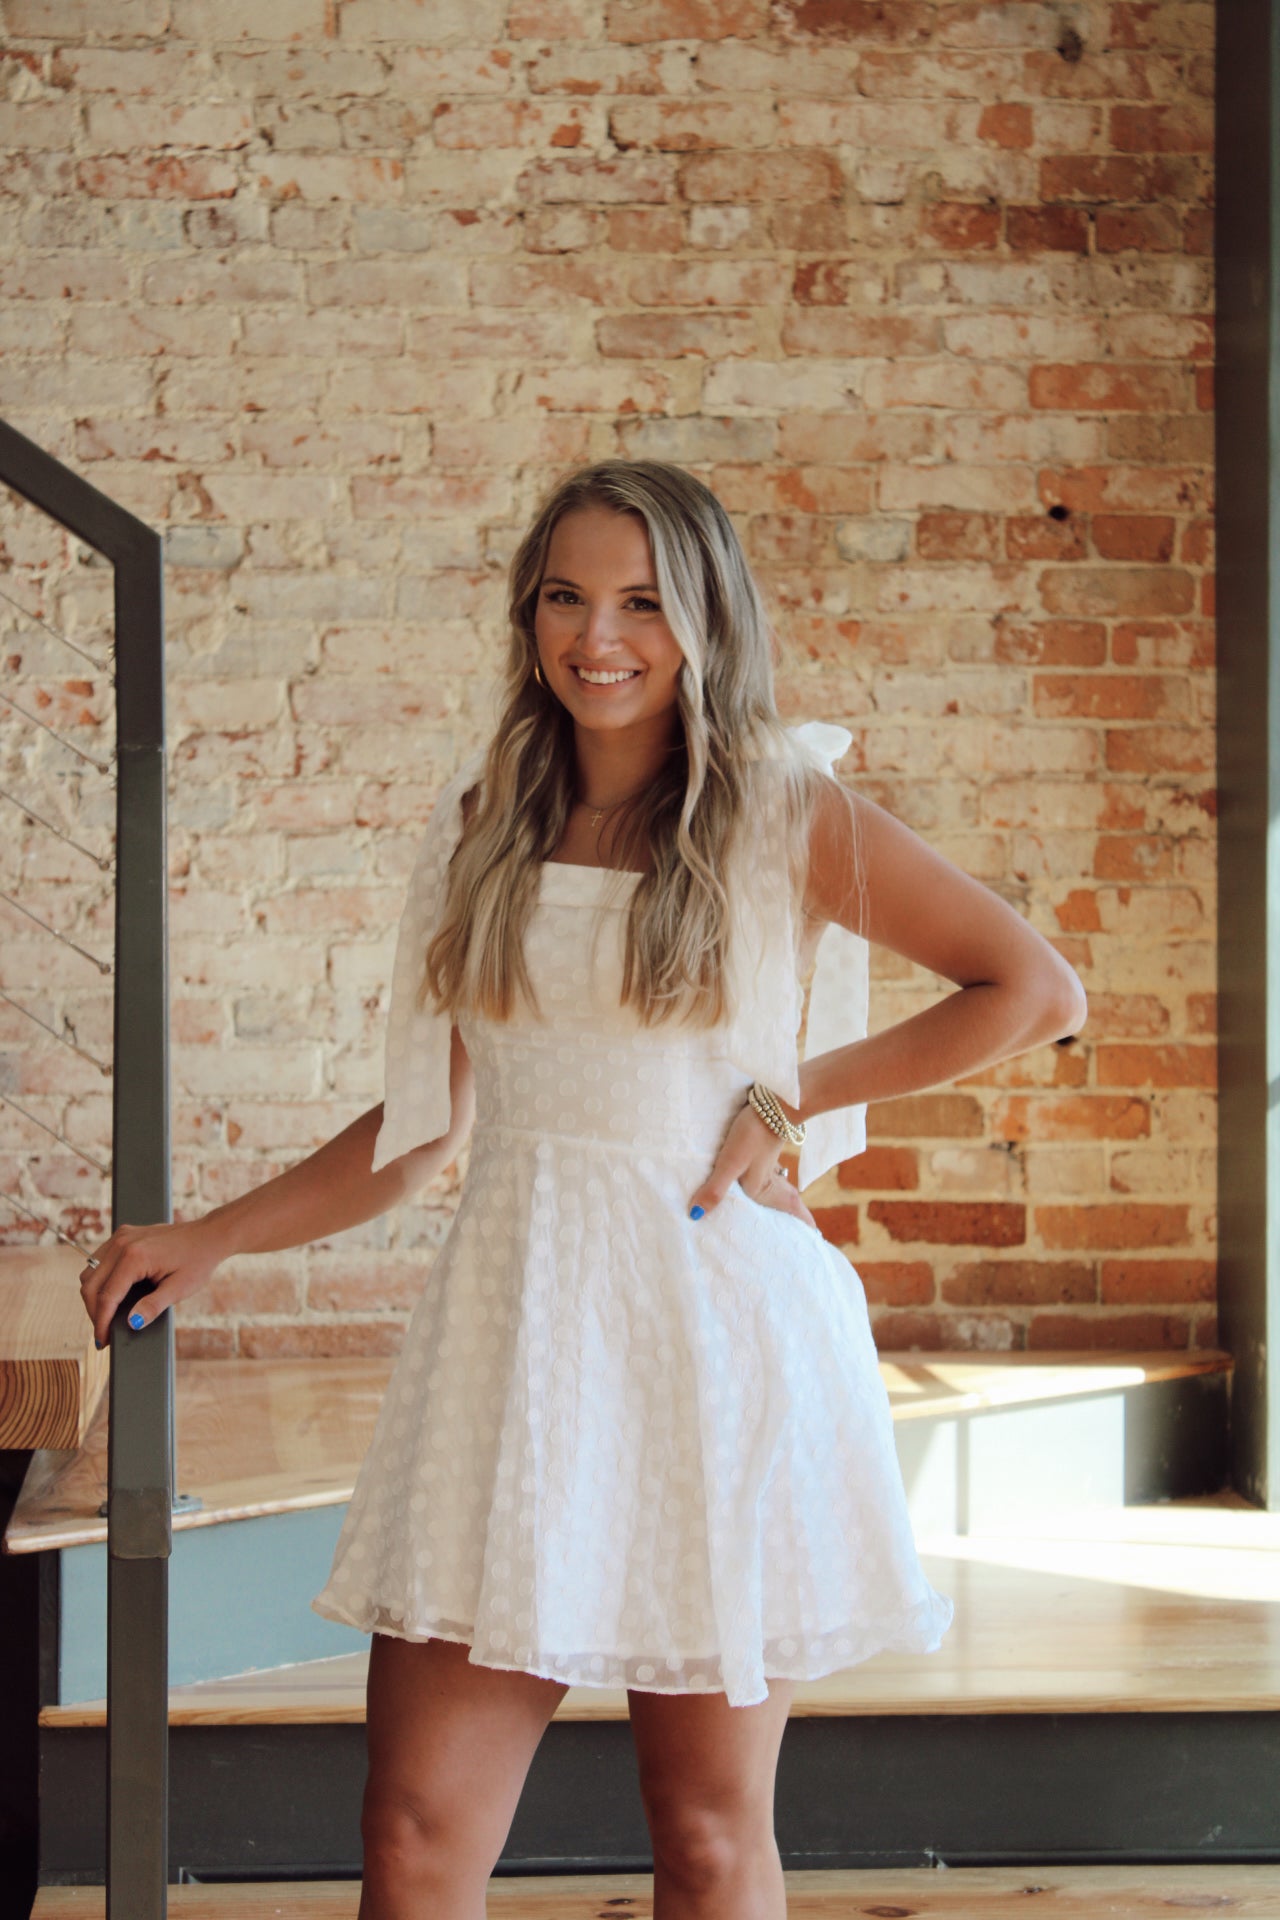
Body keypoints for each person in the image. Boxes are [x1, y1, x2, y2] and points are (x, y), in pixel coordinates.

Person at [79, 458, 1088, 1920]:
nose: (597, 637)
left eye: (641, 602)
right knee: (416, 1833)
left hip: (716, 1337)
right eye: (566, 596)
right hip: (517, 1339)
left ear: (703, 622)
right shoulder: (487, 816)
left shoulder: (782, 811)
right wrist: (212, 1239)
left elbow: (1034, 988)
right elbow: (420, 1131)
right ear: (528, 613)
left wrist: (792, 1093)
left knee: (705, 1831)